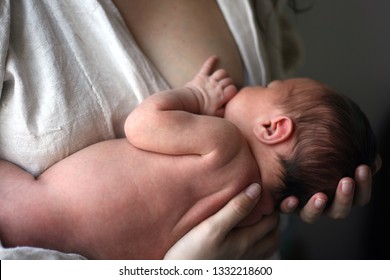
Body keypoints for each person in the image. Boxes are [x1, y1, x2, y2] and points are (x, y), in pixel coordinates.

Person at [0, 0, 374, 259]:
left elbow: (143, 125)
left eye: (269, 87)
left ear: (273, 128)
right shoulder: (256, 212)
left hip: (40, 205)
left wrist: (196, 96)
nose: (262, 83)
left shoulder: (224, 141)